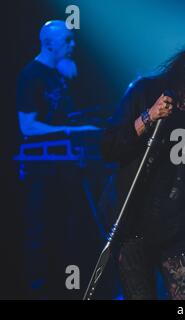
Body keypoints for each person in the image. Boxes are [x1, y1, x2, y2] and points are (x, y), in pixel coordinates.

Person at [101, 43, 185, 300]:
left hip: (177, 229)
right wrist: (149, 116)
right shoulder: (146, 91)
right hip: (132, 224)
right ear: (184, 70)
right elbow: (109, 147)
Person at [16, 20, 102, 299]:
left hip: (66, 165)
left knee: (69, 232)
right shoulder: (31, 75)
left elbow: (64, 114)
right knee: (41, 234)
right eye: (67, 40)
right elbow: (28, 127)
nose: (73, 45)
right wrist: (73, 131)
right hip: (42, 169)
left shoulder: (60, 74)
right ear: (49, 43)